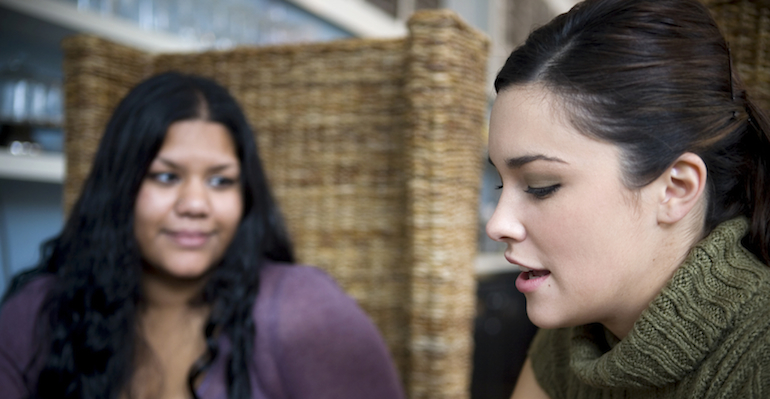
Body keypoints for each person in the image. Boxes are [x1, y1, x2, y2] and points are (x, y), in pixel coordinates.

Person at [0, 72, 405, 399]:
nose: (195, 204)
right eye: (165, 176)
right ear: (119, 189)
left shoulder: (304, 310)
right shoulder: (39, 312)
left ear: (245, 197)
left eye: (220, 181)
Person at [485, 0, 770, 397]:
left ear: (676, 188)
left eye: (540, 185)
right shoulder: (571, 343)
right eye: (502, 184)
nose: (496, 224)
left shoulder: (759, 361)